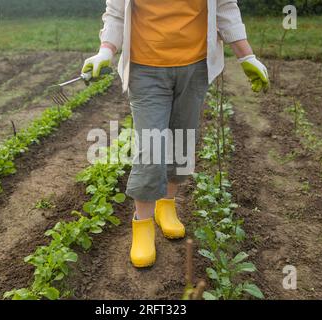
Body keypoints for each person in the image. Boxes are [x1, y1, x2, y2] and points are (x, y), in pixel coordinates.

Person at [82, 0, 269, 268]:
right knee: (151, 148)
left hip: (195, 68)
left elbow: (225, 8)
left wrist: (246, 55)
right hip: (144, 70)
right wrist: (105, 51)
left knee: (182, 139)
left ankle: (166, 205)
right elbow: (115, 14)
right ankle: (143, 223)